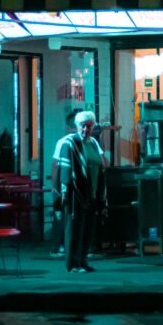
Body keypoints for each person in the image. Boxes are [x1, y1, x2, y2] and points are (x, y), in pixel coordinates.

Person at [53, 110, 107, 273]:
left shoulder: (93, 144)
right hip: (75, 195)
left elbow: (101, 165)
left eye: (89, 126)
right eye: (83, 126)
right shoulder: (69, 143)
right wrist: (61, 193)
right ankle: (73, 264)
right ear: (77, 126)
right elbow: (61, 169)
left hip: (92, 193)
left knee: (88, 230)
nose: (86, 130)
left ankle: (83, 260)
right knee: (74, 230)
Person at [49, 109, 81, 258]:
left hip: (64, 185)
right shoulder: (83, 141)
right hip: (75, 186)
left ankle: (60, 246)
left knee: (62, 216)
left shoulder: (62, 142)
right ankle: (67, 246)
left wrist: (54, 187)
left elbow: (55, 165)